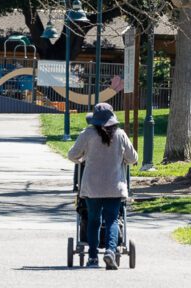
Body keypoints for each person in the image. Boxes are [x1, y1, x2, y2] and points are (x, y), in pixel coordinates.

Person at [67, 102, 138, 270]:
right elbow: (133, 158)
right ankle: (110, 251)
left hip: (92, 186)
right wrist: (124, 160)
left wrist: (81, 160)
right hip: (114, 186)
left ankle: (92, 257)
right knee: (112, 219)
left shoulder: (88, 134)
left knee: (93, 220)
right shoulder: (120, 135)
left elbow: (72, 154)